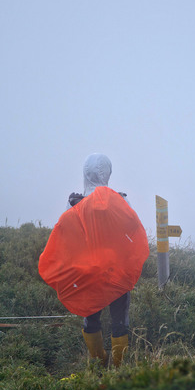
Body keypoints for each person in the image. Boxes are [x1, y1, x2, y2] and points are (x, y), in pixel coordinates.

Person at [68, 153, 132, 367]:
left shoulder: (74, 204)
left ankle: (98, 362)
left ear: (86, 173)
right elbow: (132, 232)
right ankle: (118, 366)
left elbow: (65, 238)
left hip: (87, 272)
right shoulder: (121, 200)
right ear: (108, 173)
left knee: (91, 318)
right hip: (116, 271)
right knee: (119, 320)